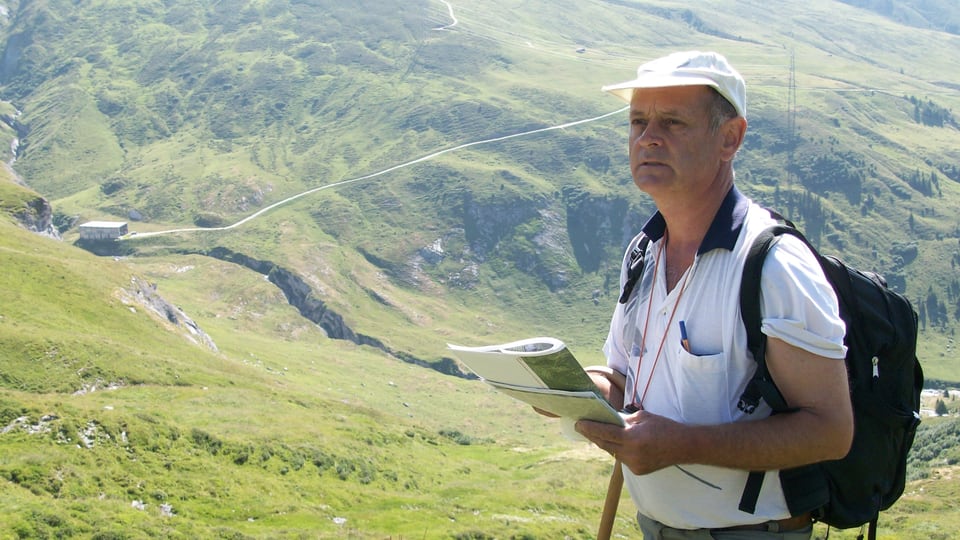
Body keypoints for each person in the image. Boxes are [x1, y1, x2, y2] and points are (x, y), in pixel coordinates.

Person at [573, 51, 855, 539]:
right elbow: (626, 381)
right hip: (656, 528)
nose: (648, 138)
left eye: (673, 122)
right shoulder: (643, 252)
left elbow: (831, 431)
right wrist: (570, 391)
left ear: (730, 138)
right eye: (638, 121)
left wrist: (681, 445)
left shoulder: (772, 265)